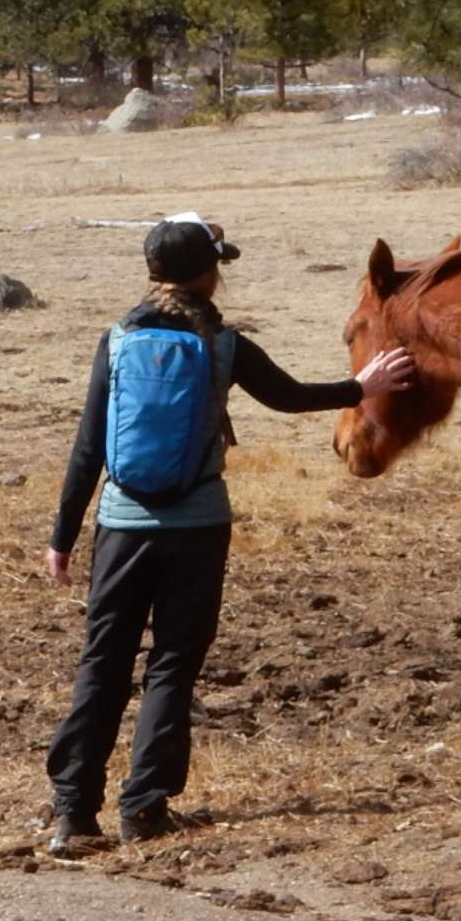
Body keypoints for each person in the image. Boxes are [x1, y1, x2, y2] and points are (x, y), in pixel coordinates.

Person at [43, 213, 413, 855]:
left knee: (102, 663)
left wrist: (63, 536)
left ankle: (73, 812)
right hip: (198, 526)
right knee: (172, 665)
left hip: (120, 528)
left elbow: (87, 450)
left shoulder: (117, 338)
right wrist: (363, 385)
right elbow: (289, 397)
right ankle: (145, 807)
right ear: (209, 275)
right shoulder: (223, 344)